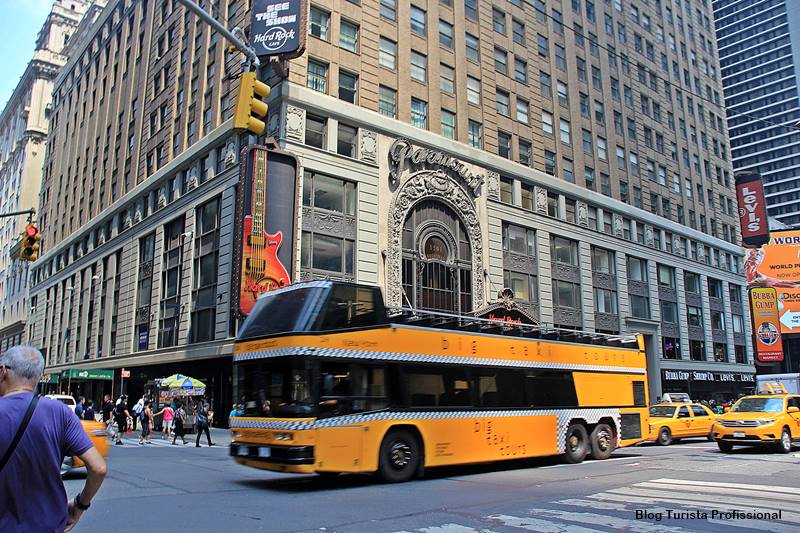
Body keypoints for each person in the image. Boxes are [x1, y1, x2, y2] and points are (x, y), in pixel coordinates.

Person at [0, 345, 107, 533]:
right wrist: (80, 505)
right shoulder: (59, 413)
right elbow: (98, 468)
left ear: (3, 371)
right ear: (39, 376)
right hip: (48, 525)